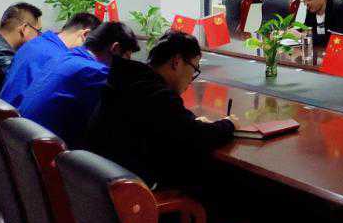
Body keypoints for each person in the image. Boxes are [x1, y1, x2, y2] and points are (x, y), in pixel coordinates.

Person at [86, 30, 236, 188]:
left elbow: (174, 123)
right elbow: (195, 136)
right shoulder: (155, 93)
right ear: (176, 62)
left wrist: (191, 122)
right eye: (194, 69)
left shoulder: (129, 79)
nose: (191, 79)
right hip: (135, 191)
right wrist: (229, 124)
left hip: (102, 184)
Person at [19, 22, 139, 148]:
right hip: (47, 151)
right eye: (127, 57)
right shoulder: (95, 72)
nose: (127, 64)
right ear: (115, 48)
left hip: (24, 142)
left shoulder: (63, 57)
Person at [0, 11, 101, 106]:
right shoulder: (59, 58)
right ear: (85, 35)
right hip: (18, 115)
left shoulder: (36, 42)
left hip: (3, 110)